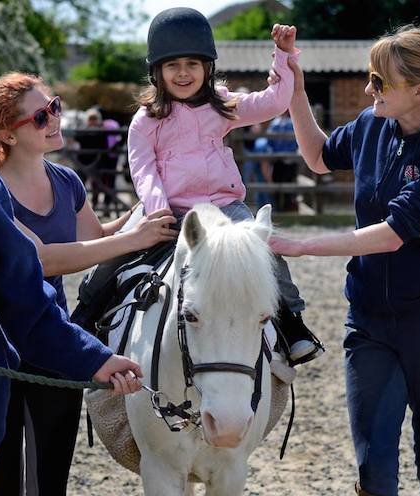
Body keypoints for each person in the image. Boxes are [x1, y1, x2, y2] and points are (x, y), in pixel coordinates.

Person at [269, 26, 420, 496]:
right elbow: (315, 155)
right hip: (369, 319)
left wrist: (298, 245)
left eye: (379, 80)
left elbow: (392, 235)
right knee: (373, 467)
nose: (369, 88)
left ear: (418, 90)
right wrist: (295, 88)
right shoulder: (372, 126)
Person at [0, 41, 144, 496]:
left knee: (43, 473)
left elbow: (59, 265)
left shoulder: (28, 182)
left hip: (4, 368)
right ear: (9, 134)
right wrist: (133, 238)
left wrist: (96, 358)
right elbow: (46, 257)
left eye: (53, 108)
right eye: (40, 115)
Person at [128, 7, 323, 365]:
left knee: (264, 251)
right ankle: (91, 311)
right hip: (170, 211)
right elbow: (143, 169)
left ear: (207, 67)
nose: (183, 73)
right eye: (173, 65)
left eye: (192, 64)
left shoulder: (222, 106)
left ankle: (291, 321)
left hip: (224, 206)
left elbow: (275, 102)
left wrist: (282, 55)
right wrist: (157, 210)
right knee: (120, 257)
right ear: (157, 71)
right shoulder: (146, 120)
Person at [266, 111, 300, 211]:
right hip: (288, 159)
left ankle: (279, 209)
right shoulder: (292, 123)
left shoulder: (274, 124)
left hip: (278, 160)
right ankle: (286, 208)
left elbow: (269, 141)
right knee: (288, 184)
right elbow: (296, 141)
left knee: (278, 184)